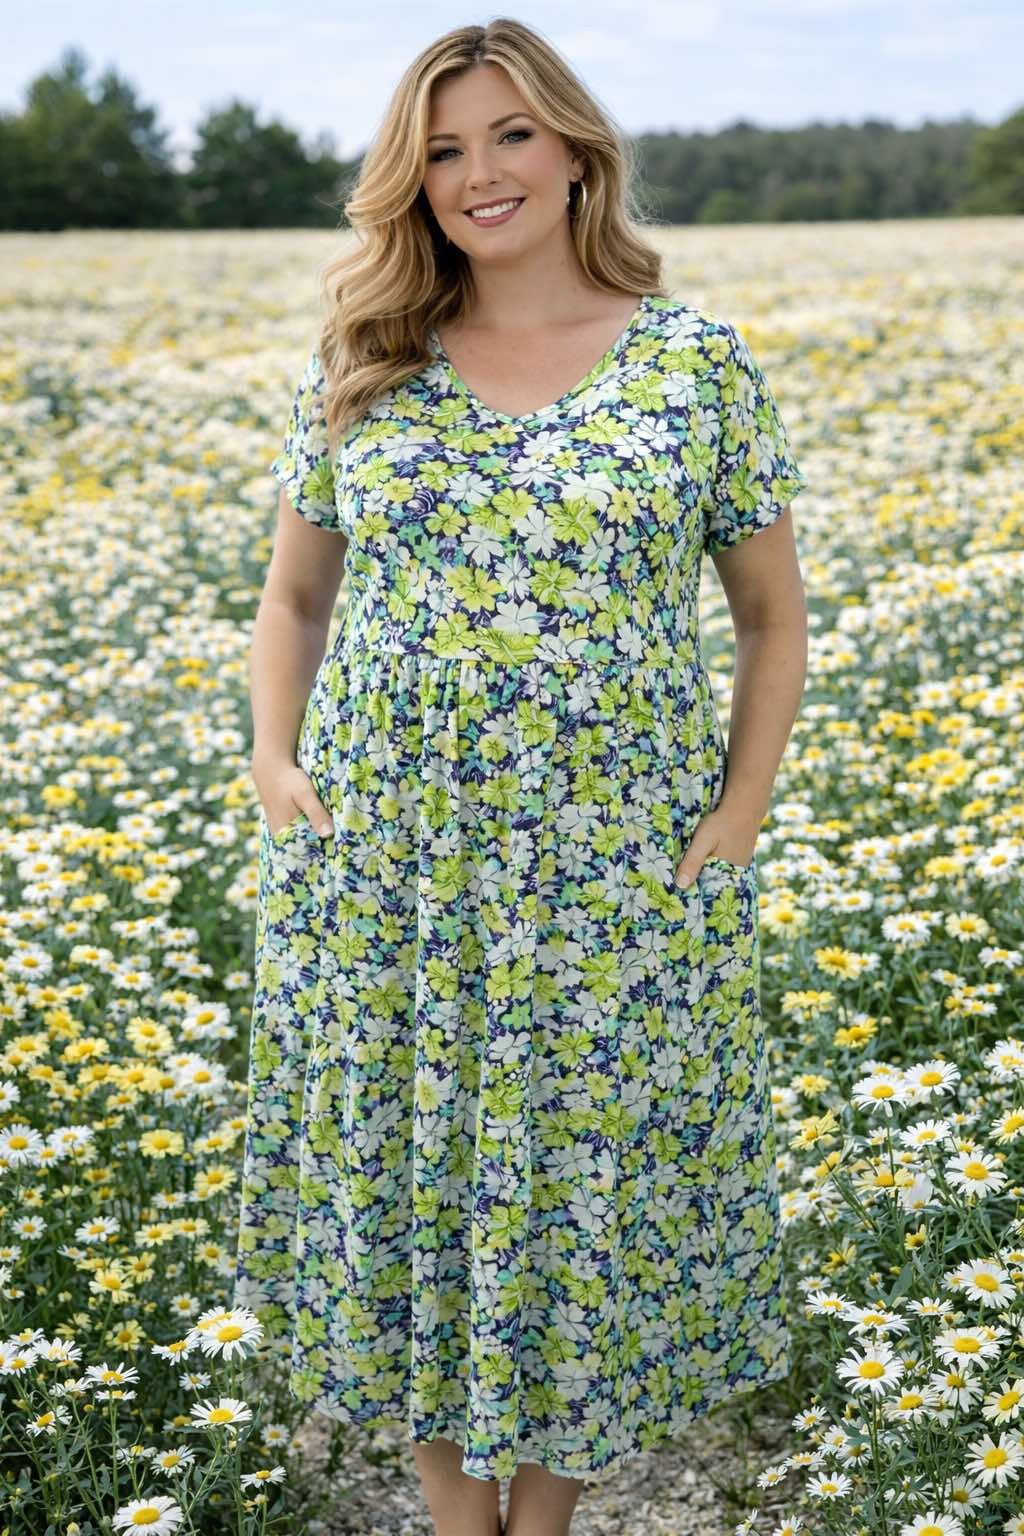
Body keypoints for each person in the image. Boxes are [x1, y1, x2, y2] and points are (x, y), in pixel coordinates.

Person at [234, 17, 809, 1536]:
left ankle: (540, 1519)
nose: (479, 173)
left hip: (618, 865)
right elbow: (294, 598)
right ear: (411, 183)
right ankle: (451, 1516)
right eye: (441, 150)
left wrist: (737, 816)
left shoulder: (692, 366)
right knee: (419, 1179)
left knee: (584, 1184)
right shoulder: (367, 361)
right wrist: (274, 763)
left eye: (509, 135)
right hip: (392, 868)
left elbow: (771, 618)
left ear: (573, 151)